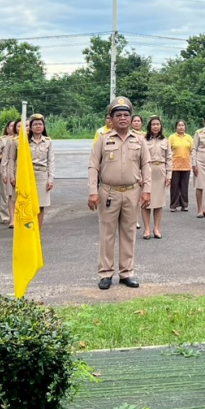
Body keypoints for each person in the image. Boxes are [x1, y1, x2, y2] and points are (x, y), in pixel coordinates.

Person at [87, 97, 152, 289]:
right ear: (111, 119)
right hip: (108, 192)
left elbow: (146, 166)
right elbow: (93, 166)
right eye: (118, 115)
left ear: (131, 118)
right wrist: (93, 191)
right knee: (107, 233)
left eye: (126, 115)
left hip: (132, 192)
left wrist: (147, 190)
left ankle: (127, 273)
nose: (123, 118)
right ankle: (106, 273)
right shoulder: (103, 139)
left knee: (129, 233)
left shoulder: (140, 140)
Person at [142, 116, 172, 239]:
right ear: (150, 126)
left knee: (159, 202)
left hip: (160, 171)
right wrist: (139, 175)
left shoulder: (166, 141)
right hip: (147, 171)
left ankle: (157, 228)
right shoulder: (143, 140)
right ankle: (147, 229)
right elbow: (139, 159)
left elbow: (169, 158)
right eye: (153, 124)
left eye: (157, 124)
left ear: (161, 126)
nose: (155, 126)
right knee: (146, 202)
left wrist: (169, 175)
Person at [26, 113, 55, 229]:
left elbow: (51, 161)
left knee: (41, 205)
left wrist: (50, 179)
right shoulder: (25, 142)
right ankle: (29, 228)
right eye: (35, 124)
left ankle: (38, 229)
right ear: (31, 127)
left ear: (43, 126)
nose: (38, 126)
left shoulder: (48, 141)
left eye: (40, 124)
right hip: (29, 175)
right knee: (29, 204)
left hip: (42, 175)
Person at [0, 119, 22, 228]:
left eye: (26, 126)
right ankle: (12, 219)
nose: (22, 128)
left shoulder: (29, 141)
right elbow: (5, 159)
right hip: (12, 170)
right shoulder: (11, 140)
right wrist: (4, 173)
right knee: (11, 195)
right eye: (19, 126)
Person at [168, 120, 194, 212]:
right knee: (174, 186)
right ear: (176, 127)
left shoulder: (189, 138)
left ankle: (184, 205)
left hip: (186, 165)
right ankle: (173, 205)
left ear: (185, 127)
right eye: (179, 125)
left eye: (183, 125)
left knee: (184, 186)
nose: (181, 127)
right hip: (174, 165)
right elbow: (168, 151)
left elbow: (192, 150)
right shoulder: (172, 137)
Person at [0, 120, 17, 224]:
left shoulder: (21, 139)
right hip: (5, 167)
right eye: (11, 126)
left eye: (15, 126)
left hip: (16, 168)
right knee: (5, 193)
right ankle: (5, 215)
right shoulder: (3, 139)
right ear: (7, 128)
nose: (13, 128)